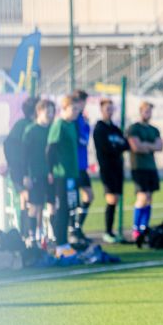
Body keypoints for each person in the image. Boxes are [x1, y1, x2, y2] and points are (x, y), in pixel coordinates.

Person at [46, 94, 81, 254]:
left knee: (68, 209)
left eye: (77, 109)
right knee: (61, 209)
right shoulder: (59, 124)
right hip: (61, 174)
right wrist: (50, 170)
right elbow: (50, 149)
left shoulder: (71, 125)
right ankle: (59, 244)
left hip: (71, 173)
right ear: (64, 109)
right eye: (73, 109)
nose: (76, 112)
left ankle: (65, 243)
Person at [93, 98, 129, 243]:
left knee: (116, 199)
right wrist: (116, 146)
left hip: (118, 168)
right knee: (111, 199)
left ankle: (112, 231)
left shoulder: (115, 129)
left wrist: (117, 146)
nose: (110, 111)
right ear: (102, 111)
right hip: (107, 169)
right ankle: (107, 232)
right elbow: (105, 148)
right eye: (107, 109)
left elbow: (125, 145)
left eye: (111, 109)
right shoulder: (99, 128)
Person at [127, 101, 163, 245]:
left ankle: (144, 227)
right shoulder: (134, 128)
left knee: (150, 198)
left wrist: (146, 145)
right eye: (146, 111)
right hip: (139, 167)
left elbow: (160, 146)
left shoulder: (154, 129)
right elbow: (136, 147)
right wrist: (150, 146)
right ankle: (136, 229)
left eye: (150, 111)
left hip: (151, 167)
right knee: (142, 197)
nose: (148, 114)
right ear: (140, 111)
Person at [23, 99, 55, 246]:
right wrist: (26, 175)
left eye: (52, 111)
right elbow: (24, 155)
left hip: (50, 175)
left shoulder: (52, 129)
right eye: (47, 111)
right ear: (39, 112)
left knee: (50, 204)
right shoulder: (31, 130)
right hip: (35, 173)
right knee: (35, 206)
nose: (50, 114)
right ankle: (31, 236)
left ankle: (48, 235)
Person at [4, 96, 37, 238]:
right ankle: (28, 233)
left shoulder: (34, 125)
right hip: (20, 170)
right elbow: (9, 145)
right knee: (28, 197)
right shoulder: (23, 125)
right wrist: (15, 167)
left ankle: (27, 234)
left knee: (27, 200)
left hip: (29, 170)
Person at [72, 90, 93, 242]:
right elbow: (81, 140)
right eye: (80, 101)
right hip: (73, 166)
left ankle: (78, 227)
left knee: (89, 196)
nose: (83, 104)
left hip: (82, 166)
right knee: (73, 200)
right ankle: (73, 230)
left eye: (84, 101)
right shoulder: (73, 120)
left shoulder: (82, 119)